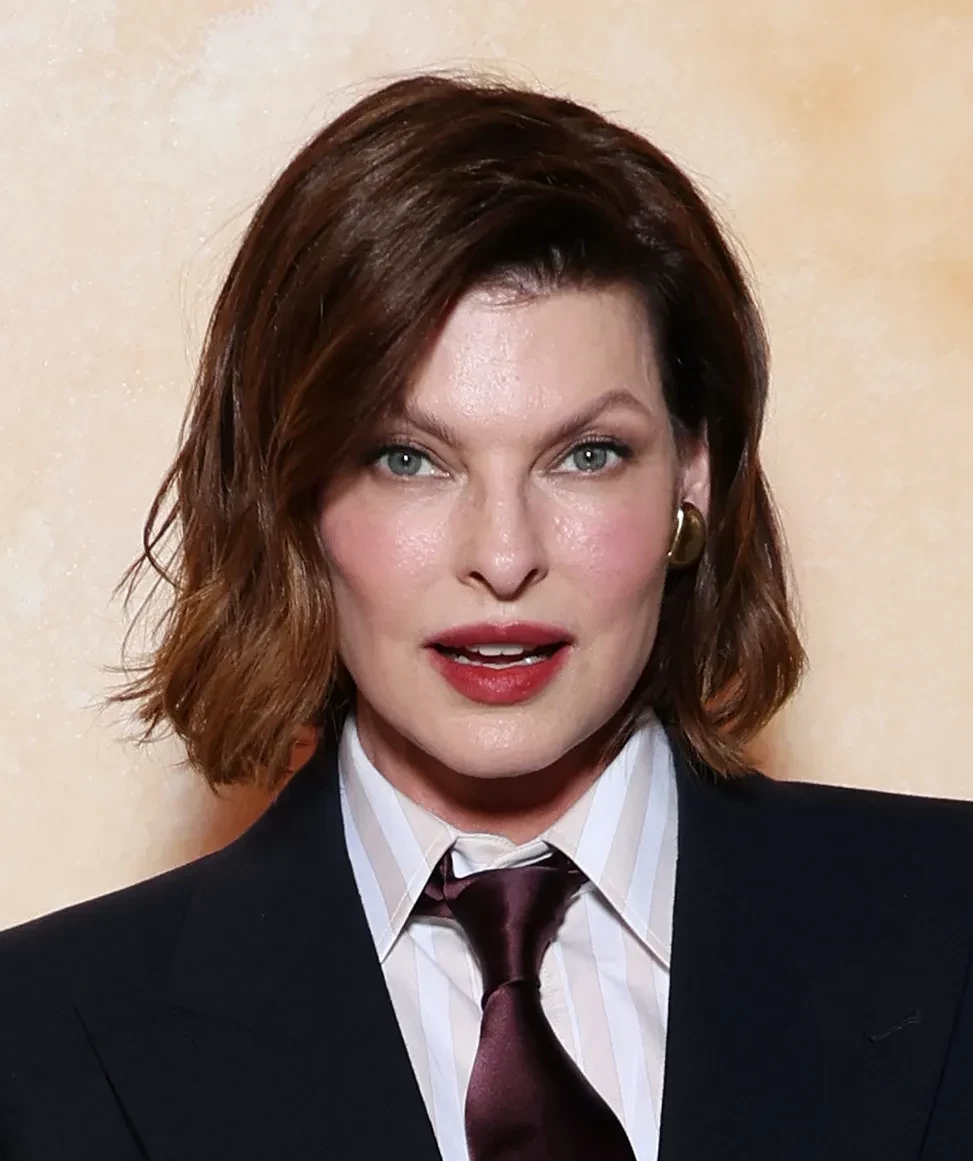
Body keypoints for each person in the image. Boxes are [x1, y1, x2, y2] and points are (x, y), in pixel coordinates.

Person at [1, 72, 971, 1161]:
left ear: (690, 476)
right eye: (405, 458)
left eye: (586, 455)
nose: (504, 558)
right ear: (292, 495)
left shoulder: (949, 930)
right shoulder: (35, 1047)